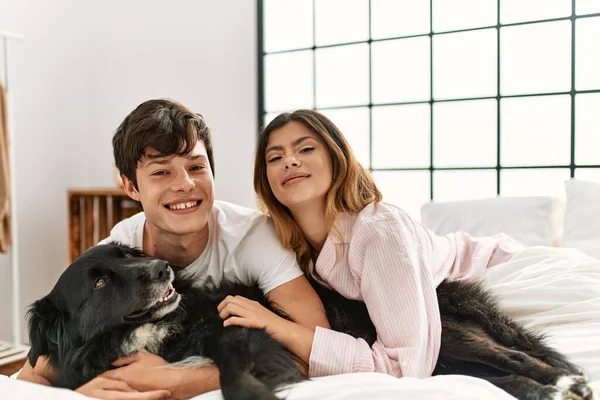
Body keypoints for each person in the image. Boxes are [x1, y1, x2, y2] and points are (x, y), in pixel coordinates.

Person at [17, 100, 330, 400]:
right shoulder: (116, 255)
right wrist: (79, 395)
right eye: (161, 172)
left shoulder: (253, 237)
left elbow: (318, 348)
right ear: (130, 187)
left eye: (196, 166)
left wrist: (180, 381)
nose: (185, 184)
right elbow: (34, 373)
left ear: (212, 171)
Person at [218, 109, 524, 380]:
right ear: (266, 180)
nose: (290, 161)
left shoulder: (380, 231)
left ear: (336, 158)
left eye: (306, 148)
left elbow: (404, 366)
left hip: (500, 271)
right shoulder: (282, 242)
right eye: (275, 158)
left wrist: (278, 327)